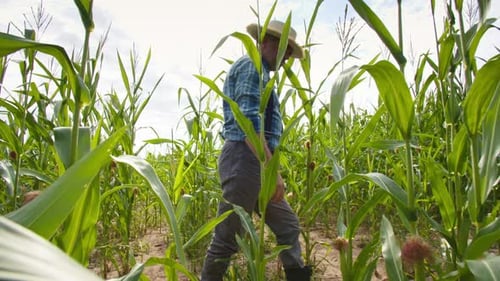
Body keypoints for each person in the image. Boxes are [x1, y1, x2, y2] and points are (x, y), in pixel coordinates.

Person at [201, 20, 312, 281]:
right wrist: (271, 171)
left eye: (289, 52)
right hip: (244, 158)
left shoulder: (261, 73)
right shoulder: (251, 66)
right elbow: (249, 122)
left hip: (255, 160)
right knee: (228, 237)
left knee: (288, 225)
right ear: (267, 42)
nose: (286, 58)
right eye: (284, 50)